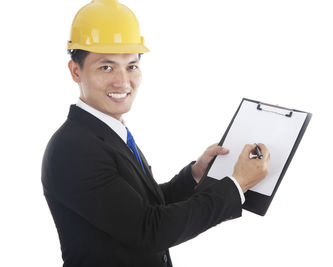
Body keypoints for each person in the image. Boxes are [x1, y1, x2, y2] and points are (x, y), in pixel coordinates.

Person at [41, 0, 270, 266]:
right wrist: (236, 185)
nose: (123, 81)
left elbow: (141, 208)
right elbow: (150, 229)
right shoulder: (73, 149)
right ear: (75, 70)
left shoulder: (106, 133)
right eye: (106, 67)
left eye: (132, 66)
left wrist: (195, 174)